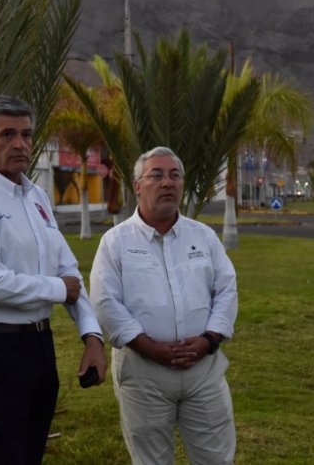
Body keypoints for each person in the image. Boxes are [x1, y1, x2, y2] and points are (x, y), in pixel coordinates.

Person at [0, 95, 106, 464]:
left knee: (30, 455)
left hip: (38, 346)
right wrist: (56, 289)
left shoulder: (36, 197)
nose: (20, 144)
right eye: (7, 134)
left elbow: (68, 269)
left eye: (27, 135)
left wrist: (91, 335)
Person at [90, 146, 238, 465]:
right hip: (143, 371)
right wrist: (147, 346)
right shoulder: (116, 242)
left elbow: (226, 288)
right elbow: (105, 300)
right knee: (151, 460)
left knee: (216, 457)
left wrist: (209, 340)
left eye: (175, 175)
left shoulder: (204, 237)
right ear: (137, 186)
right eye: (156, 175)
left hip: (203, 369)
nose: (167, 183)